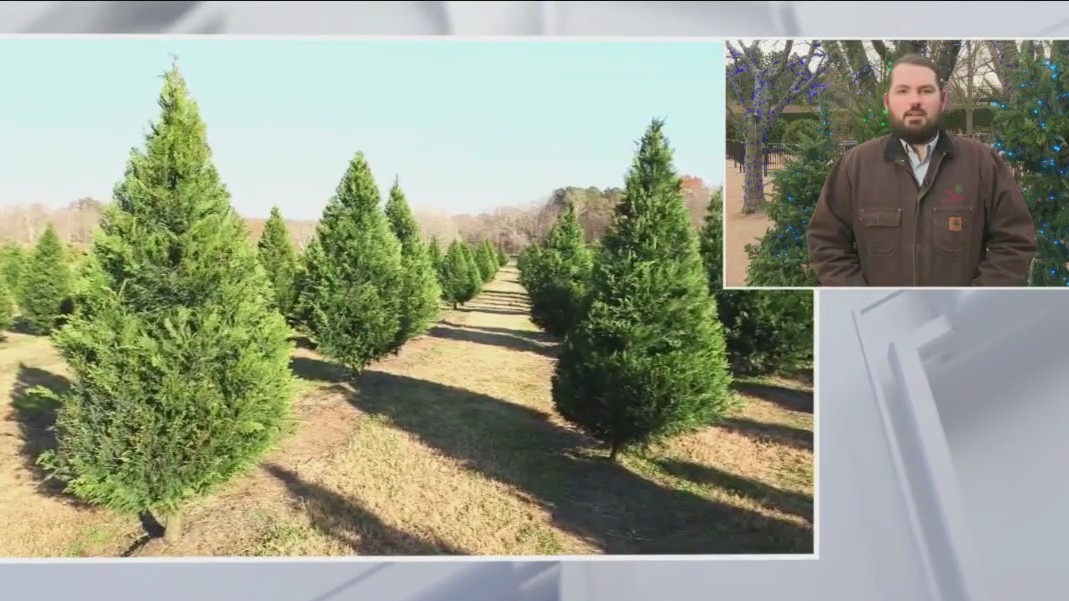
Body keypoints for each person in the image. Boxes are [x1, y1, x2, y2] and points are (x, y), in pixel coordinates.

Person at [806, 53, 1037, 287]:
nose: (914, 101)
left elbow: (1014, 242)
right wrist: (864, 301)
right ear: (887, 103)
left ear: (943, 99)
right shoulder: (854, 167)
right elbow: (826, 244)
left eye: (926, 91)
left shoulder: (982, 163)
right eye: (903, 91)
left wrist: (974, 305)